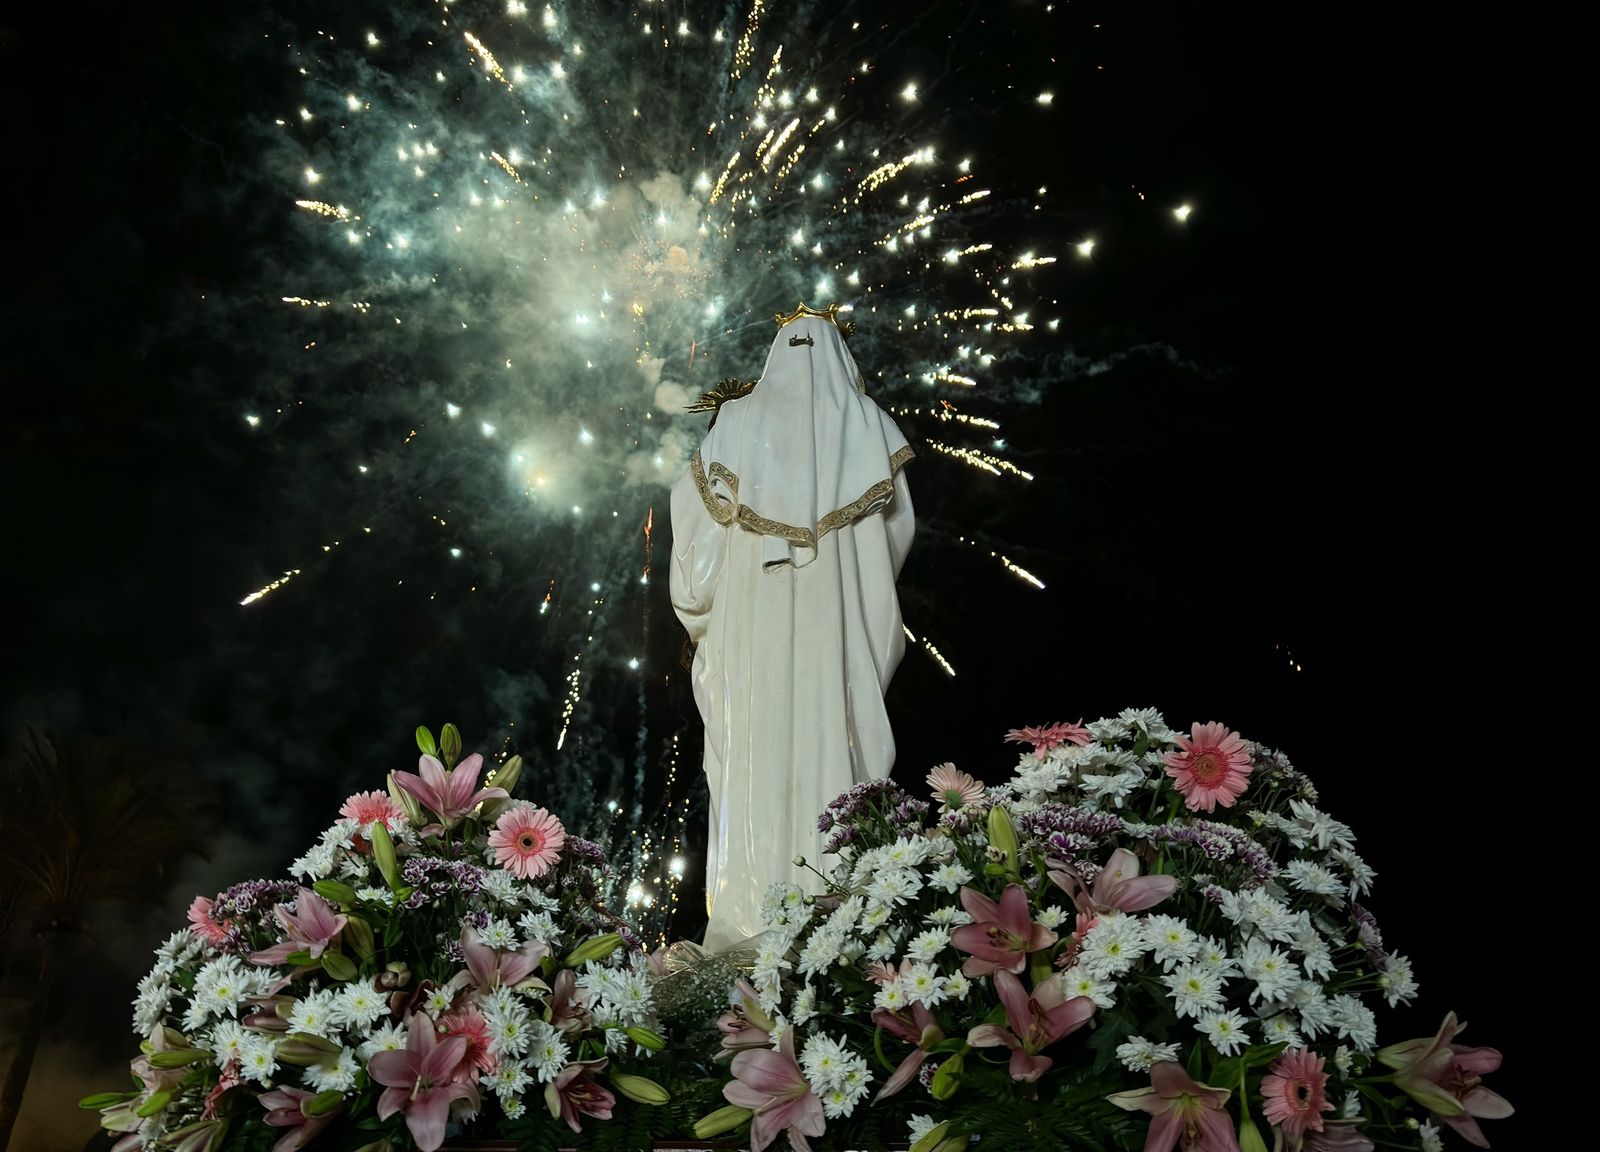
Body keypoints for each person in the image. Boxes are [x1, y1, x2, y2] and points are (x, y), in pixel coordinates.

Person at [669, 303, 916, 952]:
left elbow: (694, 567)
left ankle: (751, 918)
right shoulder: (868, 427)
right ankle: (834, 914)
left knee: (755, 756)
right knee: (835, 751)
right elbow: (896, 540)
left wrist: (701, 614)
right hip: (833, 639)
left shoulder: (736, 425)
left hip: (753, 638)